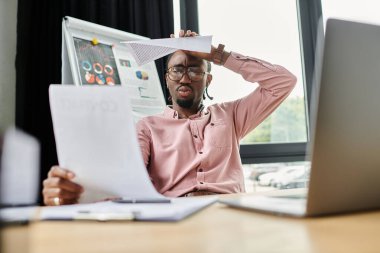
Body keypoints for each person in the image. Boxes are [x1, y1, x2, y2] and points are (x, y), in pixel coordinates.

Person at [42, 30, 296, 205]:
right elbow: (124, 181)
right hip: (176, 214)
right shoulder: (148, 127)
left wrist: (217, 55)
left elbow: (283, 82)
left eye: (194, 70)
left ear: (208, 79)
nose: (185, 77)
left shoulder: (230, 116)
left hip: (231, 210)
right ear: (167, 79)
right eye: (177, 69)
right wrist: (75, 194)